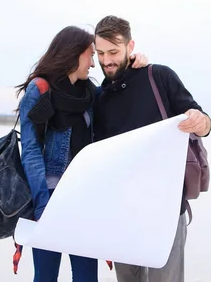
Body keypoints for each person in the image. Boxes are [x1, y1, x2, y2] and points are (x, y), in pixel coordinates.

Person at [15, 25, 149, 282]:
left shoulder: (91, 93)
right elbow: (31, 151)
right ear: (73, 54)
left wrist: (135, 64)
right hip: (49, 199)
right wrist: (42, 205)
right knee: (45, 276)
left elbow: (120, 91)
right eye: (90, 54)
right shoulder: (40, 90)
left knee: (87, 277)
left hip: (84, 200)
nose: (94, 62)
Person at [93, 16, 211, 282]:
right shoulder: (99, 99)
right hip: (122, 212)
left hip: (166, 209)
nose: (107, 60)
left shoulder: (159, 76)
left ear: (130, 46)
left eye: (113, 52)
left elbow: (203, 122)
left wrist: (199, 121)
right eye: (100, 53)